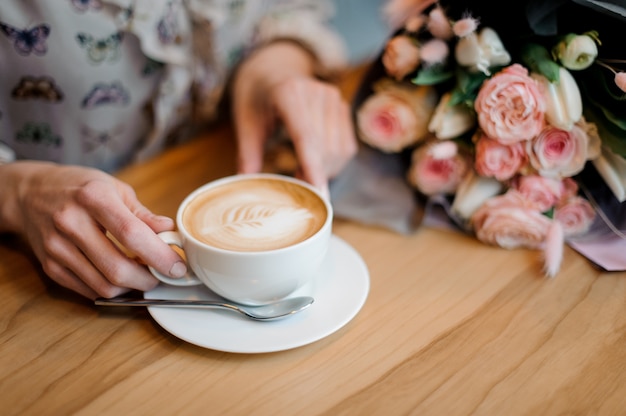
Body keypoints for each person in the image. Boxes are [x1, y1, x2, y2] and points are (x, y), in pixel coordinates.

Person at [0, 1, 357, 300]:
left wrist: (276, 70)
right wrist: (19, 192)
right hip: (60, 252)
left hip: (214, 161)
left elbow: (287, 7)